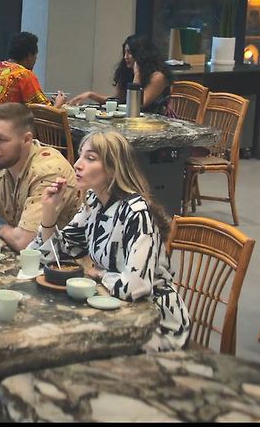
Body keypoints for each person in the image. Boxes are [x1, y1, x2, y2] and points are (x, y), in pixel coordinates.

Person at [32, 130, 190, 352]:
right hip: (113, 310)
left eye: (90, 158)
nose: (77, 164)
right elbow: (54, 257)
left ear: (114, 168)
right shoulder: (95, 202)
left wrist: (101, 274)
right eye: (80, 155)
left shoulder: (136, 213)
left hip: (154, 324)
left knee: (71, 348)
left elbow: (136, 288)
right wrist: (50, 214)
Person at [0, 102, 79, 252]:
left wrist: (2, 230)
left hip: (65, 256)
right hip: (32, 255)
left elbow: (26, 242)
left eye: (2, 139)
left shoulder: (48, 172)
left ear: (26, 140)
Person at [67, 35, 169, 114]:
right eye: (125, 53)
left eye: (129, 53)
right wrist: (91, 95)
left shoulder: (158, 76)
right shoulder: (127, 72)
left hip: (154, 124)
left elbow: (138, 105)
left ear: (141, 54)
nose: (125, 57)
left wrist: (137, 74)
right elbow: (117, 100)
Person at [0, 32, 59, 122]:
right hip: (0, 127)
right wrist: (59, 103)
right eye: (35, 56)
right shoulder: (24, 75)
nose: (36, 60)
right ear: (29, 56)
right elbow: (44, 114)